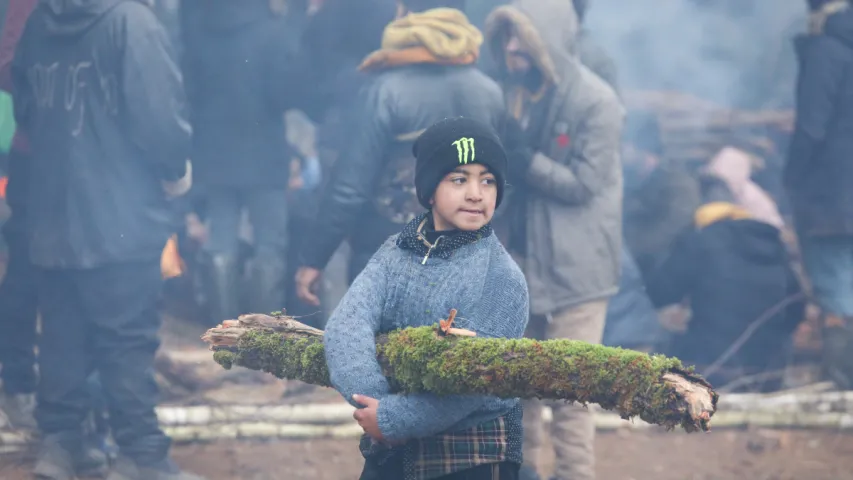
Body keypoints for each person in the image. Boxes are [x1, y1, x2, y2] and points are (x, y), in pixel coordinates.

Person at [12, 1, 202, 478]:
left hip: (51, 209)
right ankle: (141, 456)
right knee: (127, 340)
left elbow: (26, 109)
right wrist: (175, 173)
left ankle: (61, 446)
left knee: (62, 337)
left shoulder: (40, 20)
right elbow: (159, 117)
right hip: (121, 211)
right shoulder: (131, 23)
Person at [324, 117, 529, 480]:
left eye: (488, 180)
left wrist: (393, 419)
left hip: (474, 456)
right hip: (389, 444)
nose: (476, 193)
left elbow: (474, 380)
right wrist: (375, 404)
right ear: (429, 190)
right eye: (459, 179)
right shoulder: (395, 252)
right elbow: (347, 323)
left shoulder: (503, 278)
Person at [484, 1, 623, 479]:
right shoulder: (512, 95)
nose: (511, 48)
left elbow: (585, 183)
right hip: (520, 267)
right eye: (505, 38)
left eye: (520, 36)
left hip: (576, 275)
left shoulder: (597, 101)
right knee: (516, 387)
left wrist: (525, 161)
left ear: (547, 38)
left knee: (572, 394)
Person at [295, 0, 507, 306]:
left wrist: (314, 259)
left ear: (405, 14)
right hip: (466, 259)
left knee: (384, 352)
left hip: (389, 255)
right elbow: (502, 182)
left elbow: (349, 188)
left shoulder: (384, 90)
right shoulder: (490, 93)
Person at [181, 0, 302, 322]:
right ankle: (263, 335)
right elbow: (286, 94)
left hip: (214, 151)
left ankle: (223, 327)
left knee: (220, 239)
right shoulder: (273, 30)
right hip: (264, 153)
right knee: (269, 245)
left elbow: (189, 92)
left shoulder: (200, 27)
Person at [645, 202, 805, 389]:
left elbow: (660, 292)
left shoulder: (700, 242)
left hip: (708, 365)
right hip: (767, 370)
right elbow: (795, 309)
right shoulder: (776, 247)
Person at [786, 0, 853, 388]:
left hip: (833, 202)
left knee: (838, 295)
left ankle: (843, 384)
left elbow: (811, 128)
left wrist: (792, 178)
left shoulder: (827, 51)